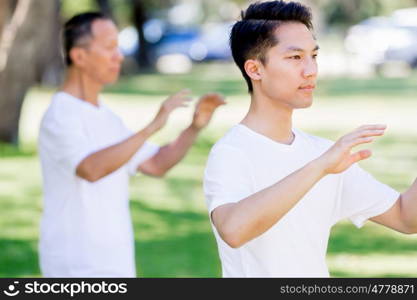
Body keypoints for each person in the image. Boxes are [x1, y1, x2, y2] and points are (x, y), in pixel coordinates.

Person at [203, 0, 417, 277]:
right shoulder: (232, 152)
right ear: (255, 69)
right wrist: (320, 167)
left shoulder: (325, 153)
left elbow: (405, 216)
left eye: (313, 56)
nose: (311, 71)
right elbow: (233, 230)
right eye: (295, 58)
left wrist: (324, 163)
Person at [38, 12, 225, 277]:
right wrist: (151, 127)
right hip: (75, 266)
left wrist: (193, 128)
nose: (119, 56)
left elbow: (156, 164)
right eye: (109, 47)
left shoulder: (108, 118)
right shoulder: (61, 114)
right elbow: (90, 169)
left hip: (115, 264)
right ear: (79, 56)